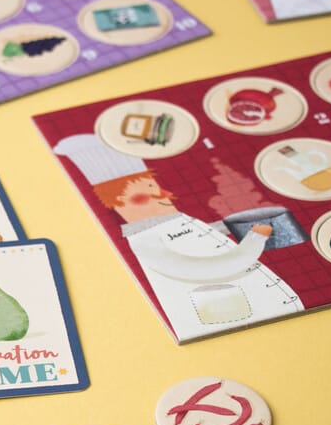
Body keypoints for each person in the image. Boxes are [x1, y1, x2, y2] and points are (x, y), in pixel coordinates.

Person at [54, 134, 303, 340]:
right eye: (145, 195)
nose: (162, 196)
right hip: (225, 312)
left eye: (156, 188)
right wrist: (256, 238)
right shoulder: (145, 241)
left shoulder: (170, 220)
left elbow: (195, 235)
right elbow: (209, 269)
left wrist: (239, 223)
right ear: (119, 204)